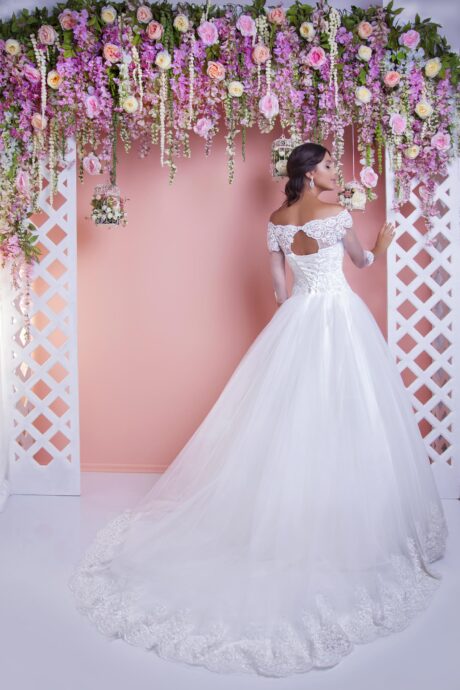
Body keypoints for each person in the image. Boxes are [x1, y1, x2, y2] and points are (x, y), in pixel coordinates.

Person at [69, 142, 448, 677]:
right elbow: (362, 262)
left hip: (297, 320)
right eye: (328, 165)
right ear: (310, 173)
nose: (334, 171)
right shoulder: (337, 214)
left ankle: (290, 510)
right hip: (339, 319)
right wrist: (381, 245)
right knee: (347, 414)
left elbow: (277, 290)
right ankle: (334, 516)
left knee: (289, 422)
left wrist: (297, 309)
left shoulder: (276, 221)